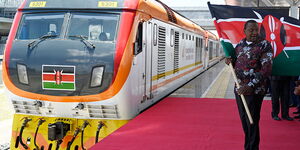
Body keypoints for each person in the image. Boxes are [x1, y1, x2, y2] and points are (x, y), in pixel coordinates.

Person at [225, 20, 273, 150]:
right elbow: (237, 63)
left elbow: (266, 69)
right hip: (240, 89)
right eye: (251, 30)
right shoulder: (240, 45)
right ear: (244, 31)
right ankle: (248, 146)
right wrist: (229, 61)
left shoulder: (264, 45)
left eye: (256, 30)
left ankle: (252, 147)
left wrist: (250, 85)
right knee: (245, 120)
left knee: (252, 121)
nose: (254, 33)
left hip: (255, 90)